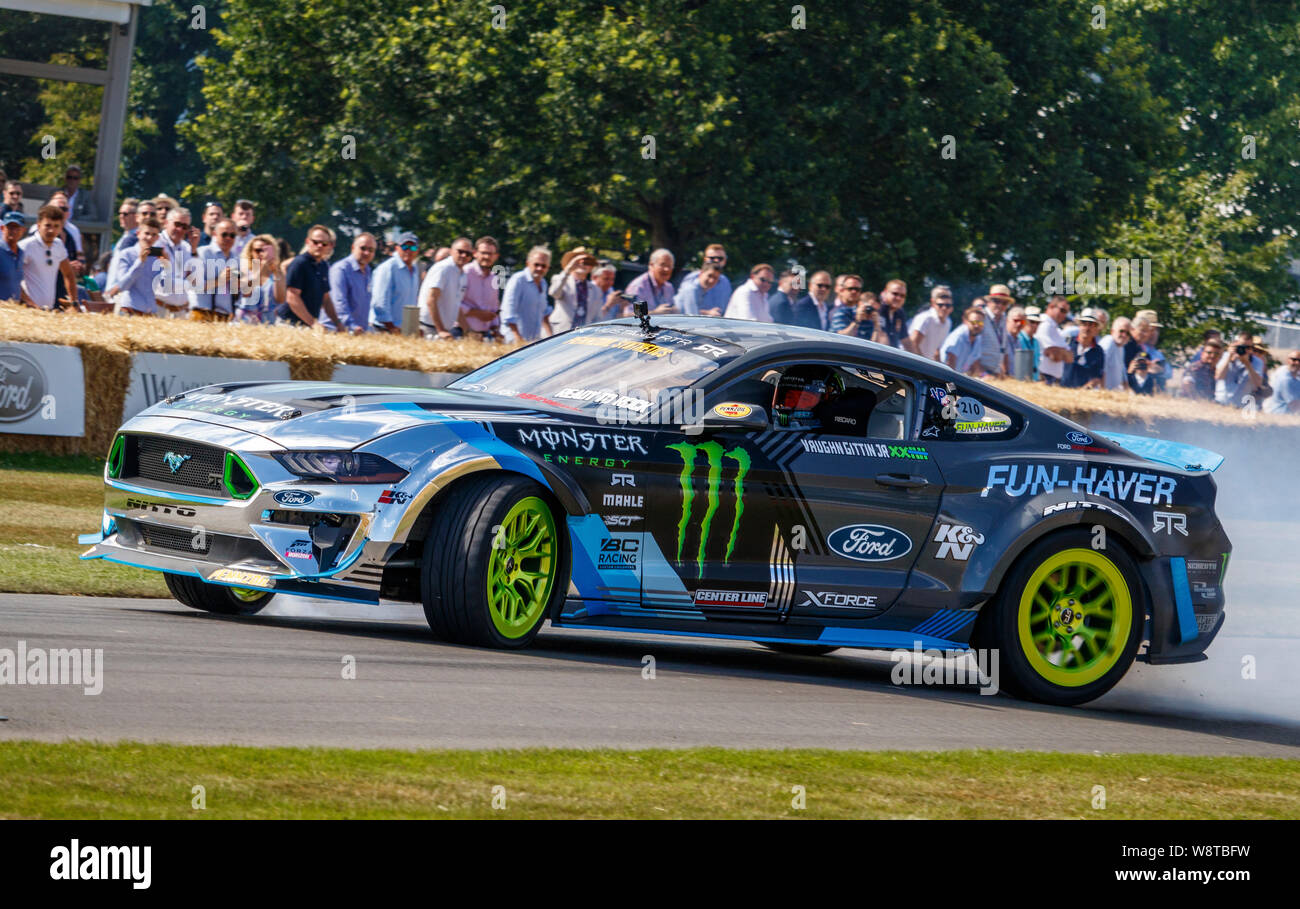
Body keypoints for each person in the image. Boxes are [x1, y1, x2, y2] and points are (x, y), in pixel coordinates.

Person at [277, 224, 342, 328]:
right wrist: (313, 323)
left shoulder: (323, 265)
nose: (320, 246)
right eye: (315, 242)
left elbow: (326, 298)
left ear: (330, 245)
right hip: (289, 323)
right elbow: (292, 296)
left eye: (324, 243)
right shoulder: (299, 263)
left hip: (306, 325)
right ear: (308, 242)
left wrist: (338, 323)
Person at [19, 204, 78, 309]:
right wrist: (29, 303)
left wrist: (74, 303)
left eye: (56, 226)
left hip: (48, 310)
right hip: (27, 310)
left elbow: (68, 274)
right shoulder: (26, 246)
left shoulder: (58, 245)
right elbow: (13, 278)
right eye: (48, 225)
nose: (51, 230)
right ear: (38, 225)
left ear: (61, 228)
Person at [106, 216, 166, 316]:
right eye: (146, 233)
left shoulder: (156, 258)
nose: (150, 238)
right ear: (138, 234)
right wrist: (140, 262)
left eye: (154, 235)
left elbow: (166, 286)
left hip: (150, 312)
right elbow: (123, 285)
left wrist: (167, 264)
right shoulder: (126, 254)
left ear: (157, 238)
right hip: (129, 311)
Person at [419, 236, 472, 339]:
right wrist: (441, 330)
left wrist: (468, 332)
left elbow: (456, 305)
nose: (464, 255)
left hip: (443, 330)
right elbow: (431, 300)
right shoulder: (443, 268)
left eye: (468, 253)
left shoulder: (462, 274)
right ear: (451, 251)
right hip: (429, 328)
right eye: (460, 251)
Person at [188, 217, 240, 321]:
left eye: (232, 235)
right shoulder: (202, 253)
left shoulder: (236, 258)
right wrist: (219, 281)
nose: (228, 238)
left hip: (225, 316)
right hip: (201, 313)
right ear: (215, 235)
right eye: (224, 234)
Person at [370, 232, 421, 334]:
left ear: (418, 251)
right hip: (383, 329)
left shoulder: (415, 270)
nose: (408, 251)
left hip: (403, 330)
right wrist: (391, 327)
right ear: (397, 248)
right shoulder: (387, 268)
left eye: (413, 248)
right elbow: (380, 301)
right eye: (405, 247)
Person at [324, 232, 376, 333]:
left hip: (357, 332)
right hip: (336, 331)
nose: (367, 253)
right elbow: (338, 301)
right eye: (363, 248)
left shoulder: (368, 271)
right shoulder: (341, 269)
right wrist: (351, 326)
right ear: (353, 248)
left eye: (371, 250)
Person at [500, 245, 552, 342]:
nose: (540, 268)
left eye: (543, 266)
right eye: (536, 264)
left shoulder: (543, 283)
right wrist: (518, 339)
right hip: (514, 341)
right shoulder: (518, 280)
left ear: (548, 268)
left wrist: (551, 337)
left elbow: (544, 313)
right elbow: (508, 312)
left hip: (532, 341)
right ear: (528, 264)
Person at [233, 233, 285, 324]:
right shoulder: (244, 269)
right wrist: (261, 269)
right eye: (258, 250)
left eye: (266, 250)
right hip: (245, 321)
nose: (262, 253)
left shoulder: (278, 273)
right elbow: (246, 292)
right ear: (251, 252)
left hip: (268, 322)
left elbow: (280, 299)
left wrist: (276, 272)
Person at [156, 207, 199, 317]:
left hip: (180, 311)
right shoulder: (156, 242)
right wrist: (187, 285)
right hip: (159, 308)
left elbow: (195, 278)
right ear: (166, 223)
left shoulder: (187, 247)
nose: (180, 229)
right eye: (177, 224)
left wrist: (194, 248)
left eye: (185, 227)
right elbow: (162, 282)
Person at [548, 246, 599, 333]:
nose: (582, 264)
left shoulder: (595, 289)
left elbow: (596, 316)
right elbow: (554, 293)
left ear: (591, 267)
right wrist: (568, 270)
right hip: (560, 331)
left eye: (586, 262)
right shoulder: (560, 279)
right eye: (577, 262)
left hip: (582, 334)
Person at [460, 235, 503, 340]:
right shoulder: (465, 272)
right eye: (483, 253)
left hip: (485, 336)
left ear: (496, 256)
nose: (487, 257)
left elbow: (494, 308)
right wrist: (476, 314)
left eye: (490, 254)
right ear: (475, 253)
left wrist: (495, 329)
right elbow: (453, 302)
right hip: (462, 333)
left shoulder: (494, 278)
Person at [674, 243, 733, 314]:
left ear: (725, 261)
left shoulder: (725, 282)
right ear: (705, 259)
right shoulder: (692, 280)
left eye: (720, 258)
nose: (716, 261)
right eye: (712, 258)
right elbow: (686, 310)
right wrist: (707, 313)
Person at [1214, 332, 1265, 406]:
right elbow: (1218, 377)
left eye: (1248, 347)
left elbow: (1258, 384)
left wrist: (1247, 364)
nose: (1245, 350)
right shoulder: (1225, 356)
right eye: (1242, 346)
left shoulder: (1257, 362)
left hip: (1240, 406)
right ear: (1235, 344)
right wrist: (1229, 358)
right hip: (1221, 402)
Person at [1062, 308, 1106, 388]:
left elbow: (1097, 376)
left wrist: (1085, 389)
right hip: (1060, 390)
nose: (1087, 327)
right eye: (1084, 323)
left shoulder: (1099, 351)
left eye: (1091, 324)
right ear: (1079, 326)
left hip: (1082, 395)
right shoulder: (1067, 343)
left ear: (1096, 328)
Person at [977, 284, 1014, 376]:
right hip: (979, 374)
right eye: (996, 301)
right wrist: (983, 374)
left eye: (1004, 303)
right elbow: (970, 347)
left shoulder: (1004, 318)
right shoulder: (979, 316)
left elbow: (1004, 349)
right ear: (988, 301)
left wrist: (1005, 373)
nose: (1000, 305)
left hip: (994, 373)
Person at [940, 306, 989, 376]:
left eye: (980, 323)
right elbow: (950, 363)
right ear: (965, 321)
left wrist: (985, 376)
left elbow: (975, 363)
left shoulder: (978, 337)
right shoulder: (958, 337)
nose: (976, 325)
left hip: (957, 376)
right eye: (973, 322)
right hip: (945, 376)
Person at [908, 285, 954, 360]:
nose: (944, 308)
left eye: (948, 305)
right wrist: (924, 364)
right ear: (933, 302)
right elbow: (913, 343)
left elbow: (936, 350)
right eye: (940, 305)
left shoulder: (948, 322)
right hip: (909, 361)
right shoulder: (925, 318)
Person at [1036, 295, 1074, 385]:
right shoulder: (1045, 325)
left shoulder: (1055, 328)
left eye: (1066, 312)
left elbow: (1070, 358)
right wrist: (1064, 352)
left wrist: (1061, 352)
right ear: (1051, 306)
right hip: (1044, 378)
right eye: (1062, 310)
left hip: (1051, 379)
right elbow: (1054, 355)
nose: (1064, 315)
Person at [625, 248, 675, 312]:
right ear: (651, 265)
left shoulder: (669, 287)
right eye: (662, 265)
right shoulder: (638, 287)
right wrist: (655, 313)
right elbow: (628, 317)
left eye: (669, 266)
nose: (666, 269)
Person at [1180, 331, 1225, 401]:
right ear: (1202, 353)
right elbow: (1187, 383)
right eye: (1209, 353)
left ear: (1220, 356)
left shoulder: (1213, 370)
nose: (1212, 356)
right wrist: (1198, 400)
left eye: (1216, 354)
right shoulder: (1196, 367)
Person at [1, 211, 33, 305]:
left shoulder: (21, 253)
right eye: (10, 227)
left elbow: (15, 283)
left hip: (13, 312)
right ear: (2, 228)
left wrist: (32, 305)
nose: (14, 231)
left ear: (23, 230)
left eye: (17, 228)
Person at [1132, 309, 1168, 393]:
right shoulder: (1130, 346)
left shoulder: (1157, 354)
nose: (1153, 333)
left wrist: (1160, 369)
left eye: (1155, 330)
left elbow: (1168, 373)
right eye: (1150, 329)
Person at [1100, 316, 1139, 391]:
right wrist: (1102, 391)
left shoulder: (1121, 347)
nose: (1124, 335)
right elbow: (1102, 366)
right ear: (1112, 331)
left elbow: (1123, 370)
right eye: (1121, 331)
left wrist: (1127, 390)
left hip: (1113, 393)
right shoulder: (1108, 341)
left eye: (1128, 333)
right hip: (1103, 392)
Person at [876, 279, 911, 350]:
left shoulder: (900, 313)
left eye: (902, 296)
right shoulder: (878, 309)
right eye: (895, 294)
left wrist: (918, 359)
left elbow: (906, 341)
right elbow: (882, 340)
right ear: (884, 293)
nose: (898, 298)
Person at [1264, 349, 1300, 414]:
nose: (1297, 363)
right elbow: (1294, 405)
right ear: (1288, 360)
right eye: (1294, 360)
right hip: (1280, 414)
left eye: (1299, 360)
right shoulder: (1285, 379)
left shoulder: (1294, 377)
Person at [1015, 306, 1043, 381]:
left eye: (1037, 323)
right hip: (1020, 381)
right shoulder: (1018, 338)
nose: (1035, 325)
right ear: (1024, 322)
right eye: (1032, 322)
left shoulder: (1036, 342)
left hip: (1033, 381)